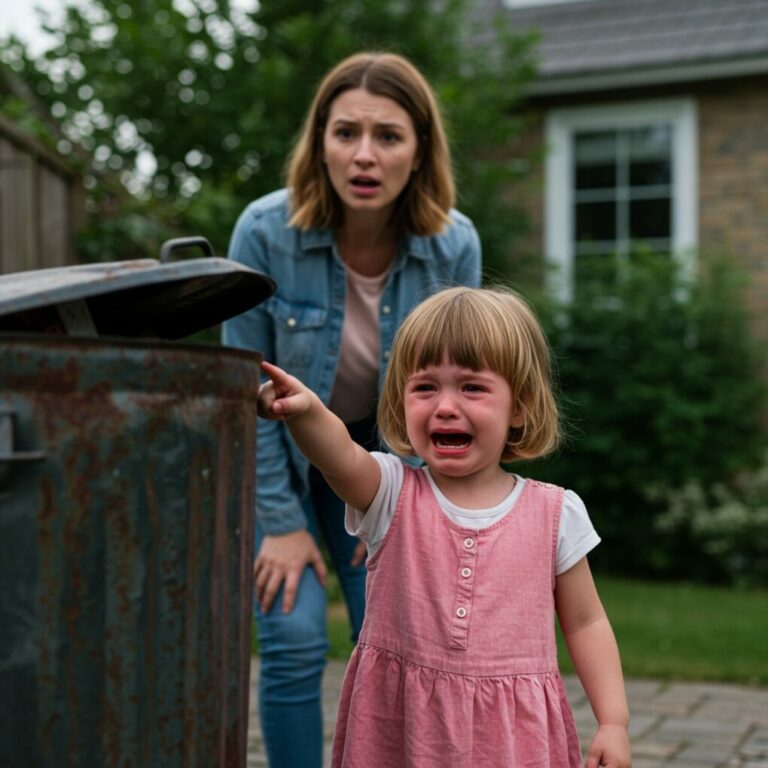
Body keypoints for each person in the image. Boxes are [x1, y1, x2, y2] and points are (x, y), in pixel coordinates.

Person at [222, 51, 481, 767]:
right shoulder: (264, 233)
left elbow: (451, 396)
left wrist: (399, 502)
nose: (364, 155)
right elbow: (244, 392)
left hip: (381, 460)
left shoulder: (453, 245)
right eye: (345, 132)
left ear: (420, 149)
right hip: (274, 453)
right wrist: (280, 526)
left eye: (389, 136)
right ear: (320, 141)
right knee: (295, 632)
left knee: (393, 635)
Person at [257, 285, 632, 768]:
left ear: (519, 406)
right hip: (402, 728)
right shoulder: (390, 492)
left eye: (472, 387)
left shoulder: (556, 515)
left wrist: (613, 722)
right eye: (425, 387)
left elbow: (587, 622)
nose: (446, 406)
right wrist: (307, 412)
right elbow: (339, 455)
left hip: (513, 740)